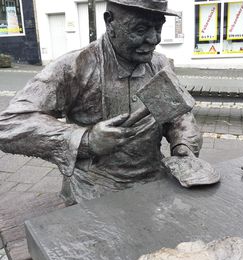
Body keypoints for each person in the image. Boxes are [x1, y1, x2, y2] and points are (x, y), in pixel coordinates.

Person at [0, 0, 202, 205]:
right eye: (140, 29)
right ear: (109, 22)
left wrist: (183, 145)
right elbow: (10, 124)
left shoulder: (160, 64)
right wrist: (86, 140)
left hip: (154, 180)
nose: (153, 39)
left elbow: (179, 116)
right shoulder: (74, 67)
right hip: (94, 187)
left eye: (158, 28)